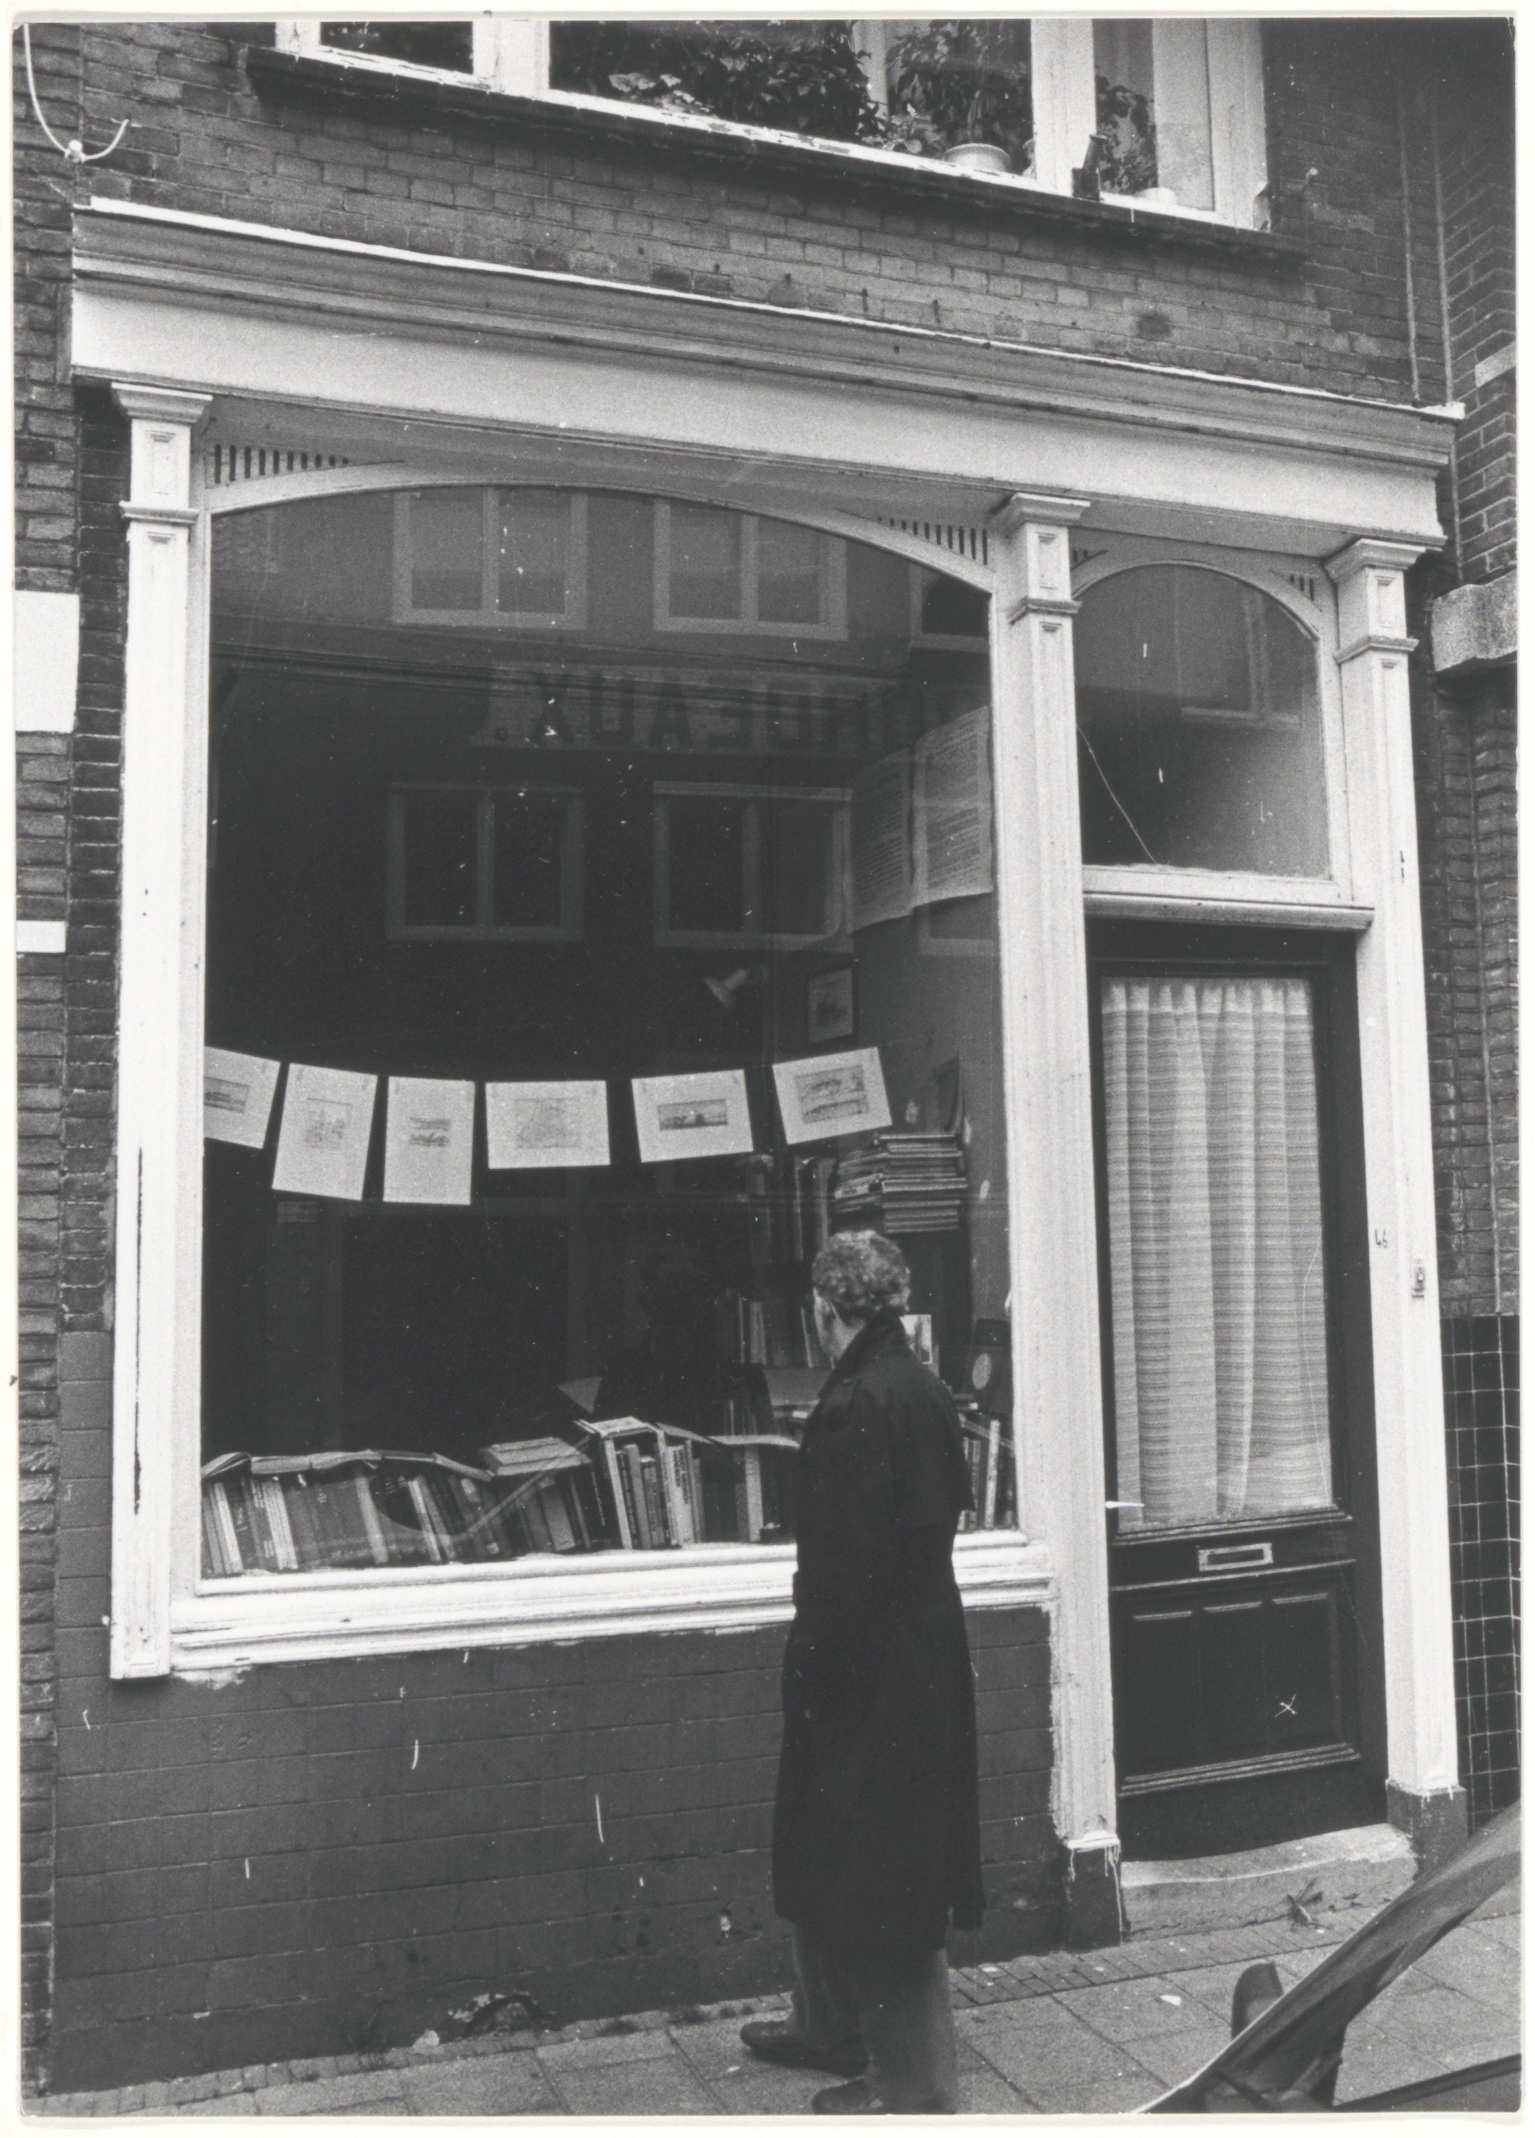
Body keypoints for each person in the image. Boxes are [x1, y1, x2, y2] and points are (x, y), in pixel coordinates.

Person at [741, 1231, 983, 2114]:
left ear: (822, 1309)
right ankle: (828, 2022)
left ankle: (911, 2082)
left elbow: (847, 1569)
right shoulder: (921, 1387)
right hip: (918, 1652)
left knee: (877, 1863)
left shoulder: (854, 1405)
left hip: (865, 1665)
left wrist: (813, 1665)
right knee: (851, 1845)